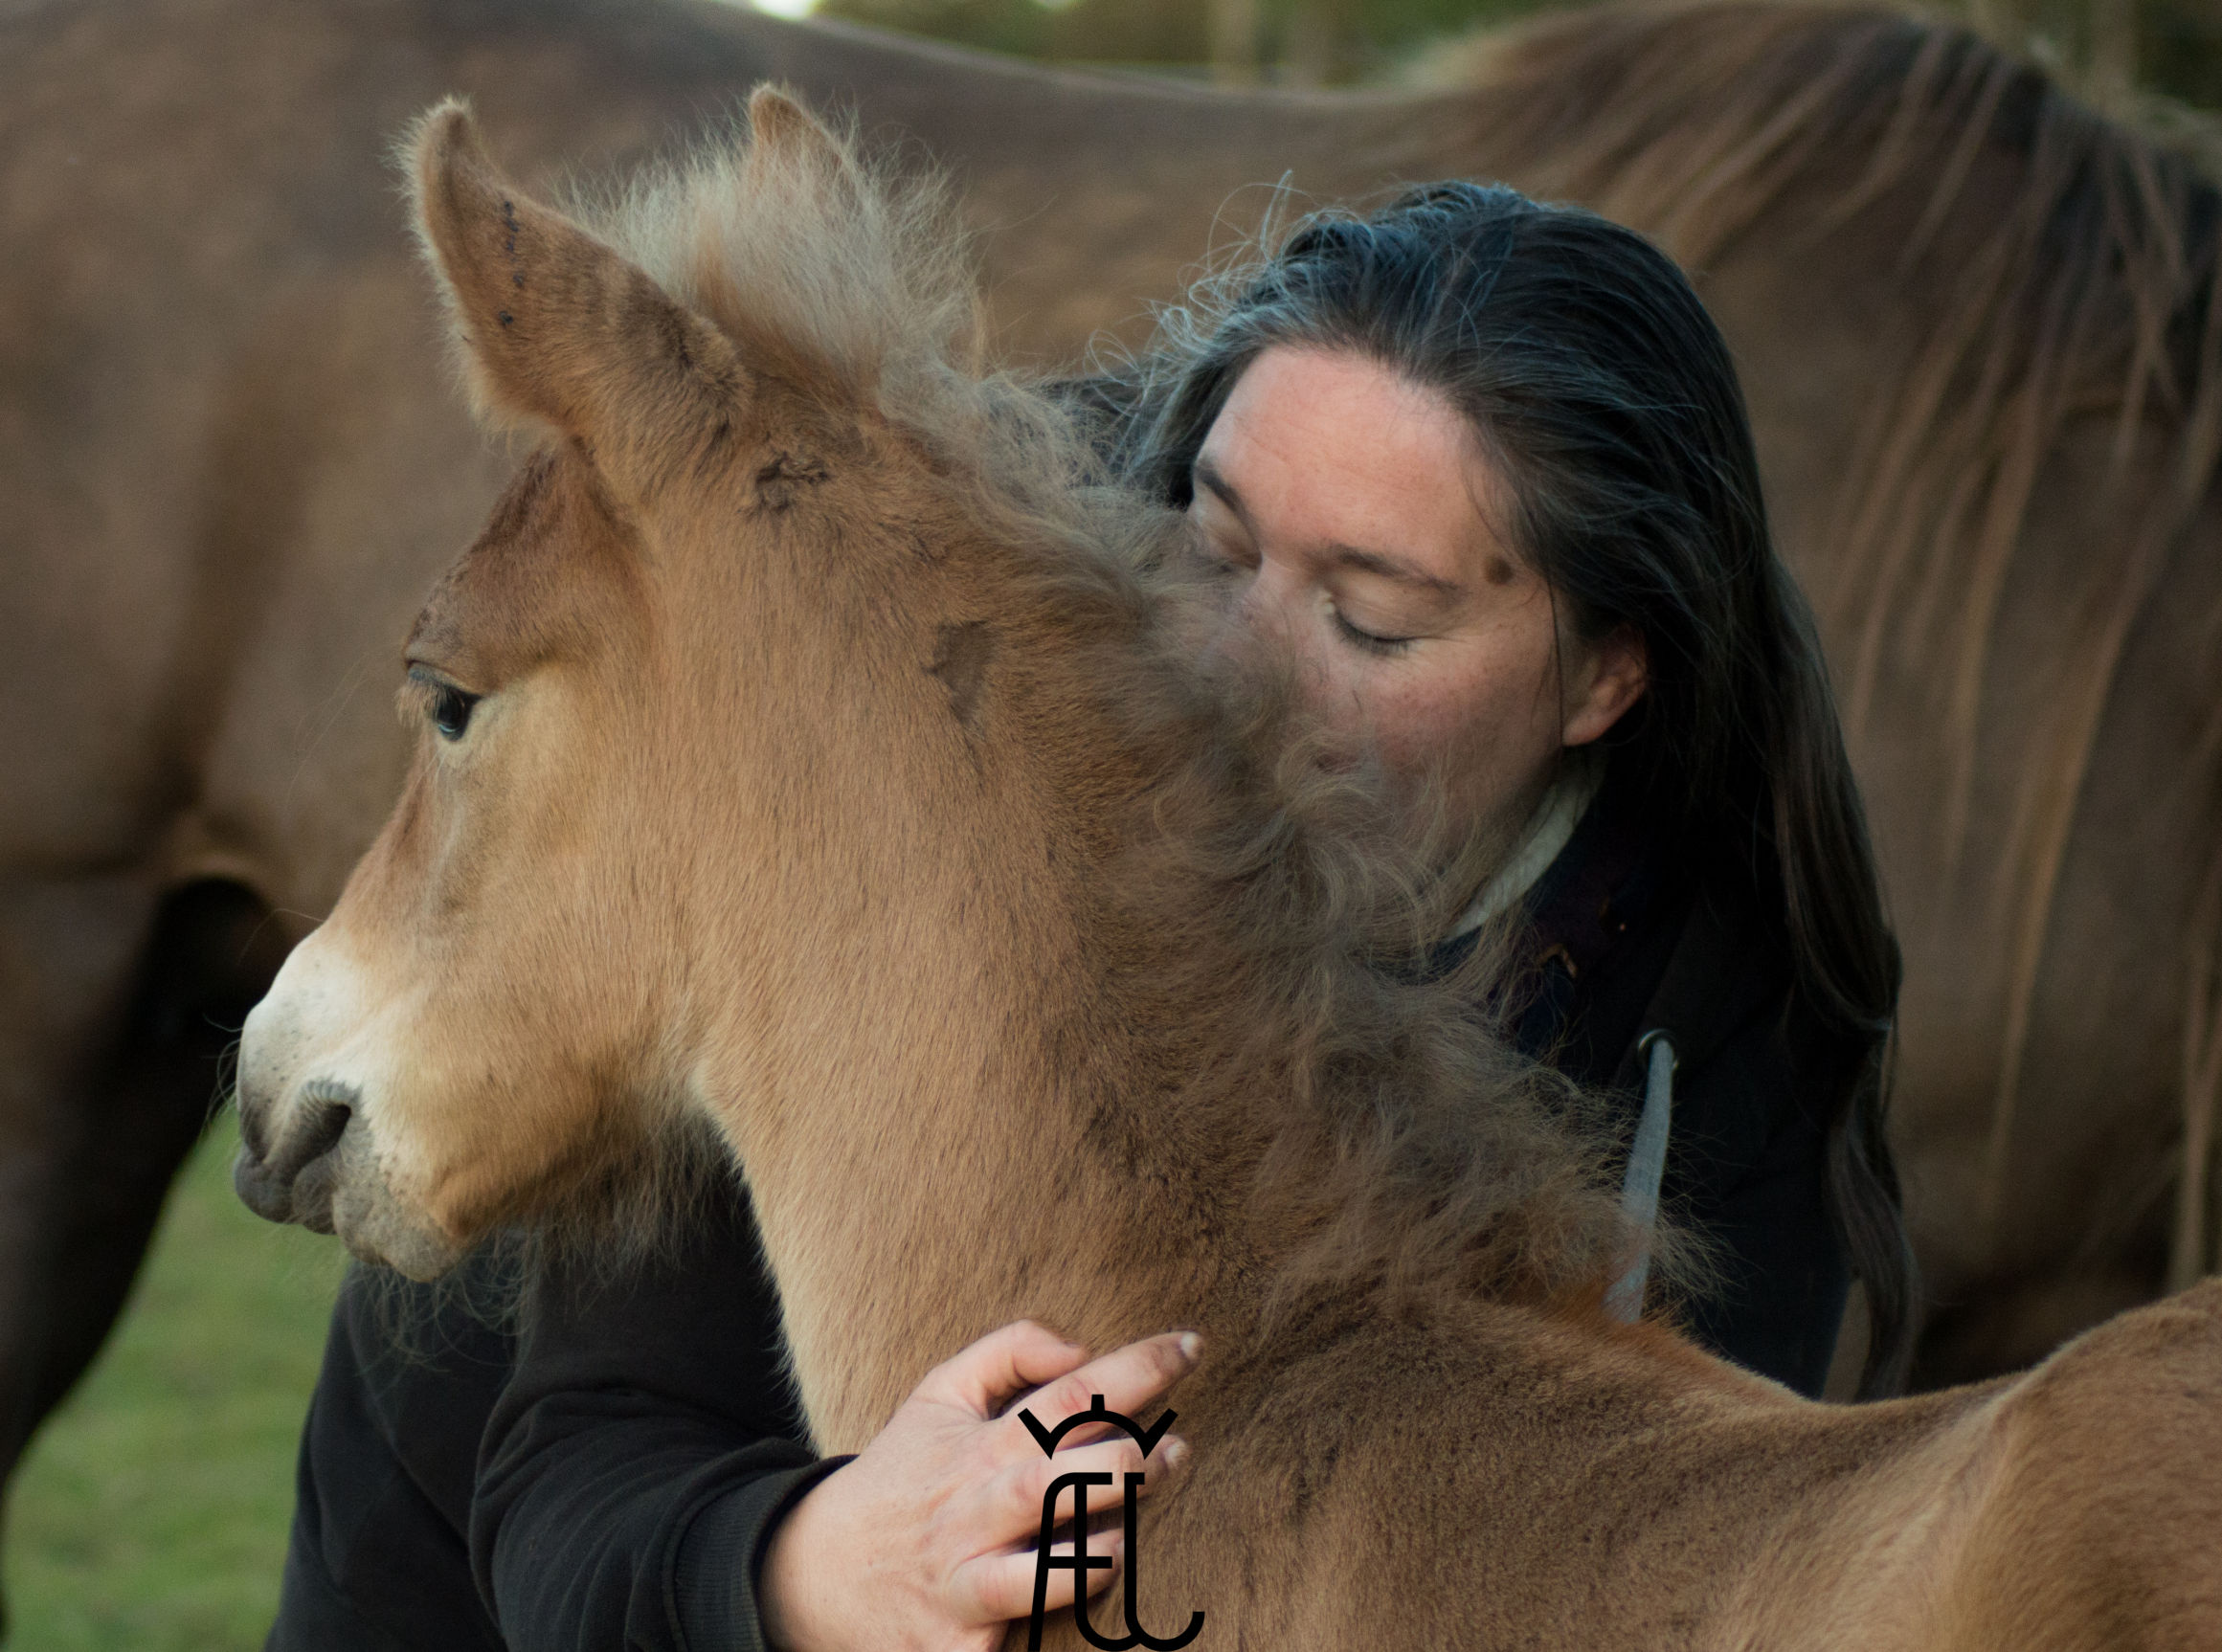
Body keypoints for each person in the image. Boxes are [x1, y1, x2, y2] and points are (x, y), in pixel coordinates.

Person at [265, 181, 1914, 1652]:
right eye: (1211, 540)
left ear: (1607, 677)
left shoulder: (1714, 995)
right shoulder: (923, 771)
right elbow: (575, 1470)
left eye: (1370, 618)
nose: (1233, 664)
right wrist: (809, 1566)